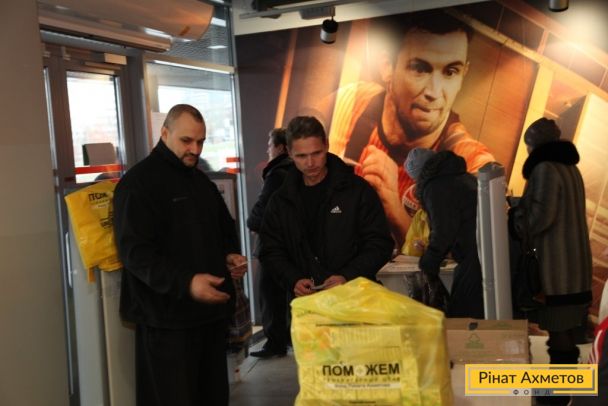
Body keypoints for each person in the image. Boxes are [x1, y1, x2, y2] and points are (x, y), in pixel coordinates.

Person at [113, 104, 247, 406]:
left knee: (212, 398)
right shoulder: (138, 184)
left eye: (201, 141)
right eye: (187, 140)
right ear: (164, 133)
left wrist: (229, 255)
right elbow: (135, 253)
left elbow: (223, 229)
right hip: (166, 321)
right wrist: (186, 282)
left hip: (209, 318)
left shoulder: (200, 181)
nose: (195, 149)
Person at [328, 9, 495, 245]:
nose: (434, 92)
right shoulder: (352, 101)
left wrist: (395, 210)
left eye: (451, 72)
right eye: (419, 68)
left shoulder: (472, 162)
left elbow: (472, 251)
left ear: (463, 74)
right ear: (387, 66)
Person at [259, 116, 393, 300]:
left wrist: (348, 276)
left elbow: (380, 244)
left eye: (316, 153)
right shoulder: (280, 200)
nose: (310, 163)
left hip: (354, 299)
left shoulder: (358, 191)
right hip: (305, 304)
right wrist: (293, 280)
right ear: (289, 153)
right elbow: (270, 250)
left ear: (327, 145)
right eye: (301, 156)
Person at [510, 118, 592, 405]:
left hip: (558, 269)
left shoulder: (544, 169)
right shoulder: (570, 168)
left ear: (534, 145)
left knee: (559, 334)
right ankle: (561, 394)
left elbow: (539, 219)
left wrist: (515, 214)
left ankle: (555, 398)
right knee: (565, 331)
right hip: (574, 265)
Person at [405, 147, 484, 318]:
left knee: (464, 319)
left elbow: (443, 230)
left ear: (421, 176)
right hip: (485, 254)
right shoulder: (463, 178)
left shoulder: (436, 186)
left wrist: (429, 261)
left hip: (474, 258)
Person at [246, 128, 293, 358]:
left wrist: (252, 222)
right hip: (290, 245)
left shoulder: (277, 174)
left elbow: (262, 209)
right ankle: (287, 338)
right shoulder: (294, 172)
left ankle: (274, 342)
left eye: (270, 145)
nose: (267, 150)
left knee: (269, 293)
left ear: (281, 148)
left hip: (273, 245)